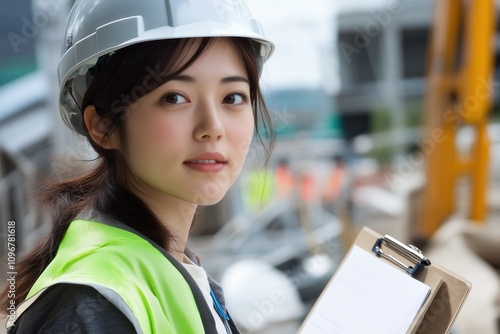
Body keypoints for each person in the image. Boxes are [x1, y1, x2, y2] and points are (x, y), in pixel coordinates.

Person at [1, 0, 275, 333]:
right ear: (102, 125)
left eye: (232, 97)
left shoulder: (168, 270)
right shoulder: (92, 303)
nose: (212, 126)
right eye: (174, 97)